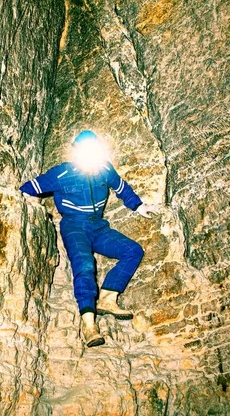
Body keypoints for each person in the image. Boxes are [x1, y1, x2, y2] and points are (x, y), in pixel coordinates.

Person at [19, 130, 159, 347]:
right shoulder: (62, 173)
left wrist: (139, 206)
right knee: (84, 264)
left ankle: (107, 298)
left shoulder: (104, 169)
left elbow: (122, 188)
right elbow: (29, 189)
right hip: (74, 226)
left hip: (98, 227)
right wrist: (24, 205)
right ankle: (89, 325)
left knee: (133, 251)